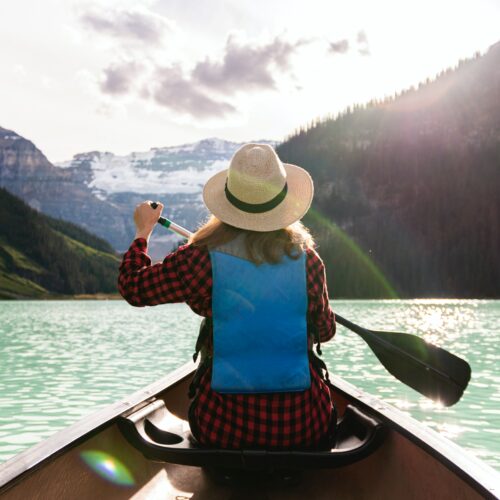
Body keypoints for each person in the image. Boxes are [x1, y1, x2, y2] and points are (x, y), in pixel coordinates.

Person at [118, 143, 336, 450]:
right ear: (283, 202)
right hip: (304, 425)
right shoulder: (309, 261)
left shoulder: (197, 259)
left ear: (228, 203)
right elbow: (325, 332)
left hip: (223, 428)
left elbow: (133, 287)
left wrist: (143, 232)